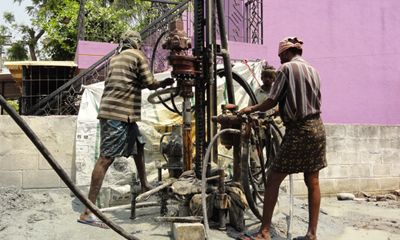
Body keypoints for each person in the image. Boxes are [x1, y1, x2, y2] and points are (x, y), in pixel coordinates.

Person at [78, 30, 174, 229]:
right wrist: (165, 82)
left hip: (120, 113)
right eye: (140, 44)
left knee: (139, 144)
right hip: (117, 114)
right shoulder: (137, 55)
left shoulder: (117, 58)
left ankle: (145, 185)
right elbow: (149, 83)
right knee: (106, 158)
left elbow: (128, 82)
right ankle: (88, 211)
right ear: (137, 43)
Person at [237, 37, 327, 240]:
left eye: (280, 57)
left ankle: (264, 232)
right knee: (312, 181)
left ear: (286, 53)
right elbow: (305, 101)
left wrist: (250, 108)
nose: (280, 61)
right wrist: (282, 110)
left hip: (299, 130)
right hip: (317, 128)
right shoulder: (314, 70)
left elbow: (271, 99)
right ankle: (312, 234)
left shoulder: (286, 69)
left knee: (273, 178)